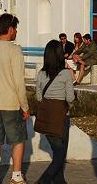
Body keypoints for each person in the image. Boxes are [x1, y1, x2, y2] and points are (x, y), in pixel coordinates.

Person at [0, 13, 30, 184]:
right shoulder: (14, 50)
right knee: (18, 140)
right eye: (15, 28)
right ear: (10, 29)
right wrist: (25, 107)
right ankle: (16, 176)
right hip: (10, 103)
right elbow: (19, 82)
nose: (16, 32)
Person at [34, 40, 75, 184]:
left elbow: (39, 97)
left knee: (57, 152)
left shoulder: (40, 74)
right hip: (61, 117)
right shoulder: (65, 74)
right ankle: (43, 181)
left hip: (46, 117)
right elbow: (70, 98)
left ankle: (59, 181)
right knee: (60, 156)